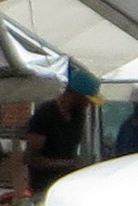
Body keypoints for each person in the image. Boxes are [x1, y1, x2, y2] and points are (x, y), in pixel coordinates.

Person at [25, 64, 101, 194]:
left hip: (66, 186)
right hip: (43, 187)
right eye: (87, 100)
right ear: (76, 95)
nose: (89, 105)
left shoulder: (78, 115)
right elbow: (31, 159)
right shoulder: (46, 114)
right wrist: (68, 164)